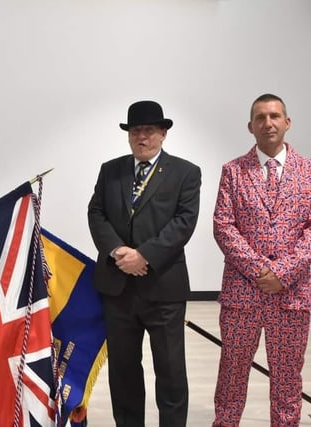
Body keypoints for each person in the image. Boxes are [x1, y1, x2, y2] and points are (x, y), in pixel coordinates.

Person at [87, 100, 201, 426]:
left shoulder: (186, 172)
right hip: (117, 287)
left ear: (163, 133)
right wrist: (118, 252)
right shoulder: (111, 170)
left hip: (163, 288)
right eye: (135, 130)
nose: (141, 137)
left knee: (170, 371)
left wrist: (144, 256)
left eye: (149, 130)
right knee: (123, 371)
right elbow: (97, 214)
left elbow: (184, 222)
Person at [212, 94, 311, 426]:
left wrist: (282, 272)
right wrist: (259, 271)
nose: (267, 123)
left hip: (292, 294)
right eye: (260, 117)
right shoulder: (233, 172)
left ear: (287, 122)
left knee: (287, 378)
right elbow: (223, 226)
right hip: (243, 294)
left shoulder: (309, 172)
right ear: (250, 126)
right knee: (232, 374)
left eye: (274, 116)